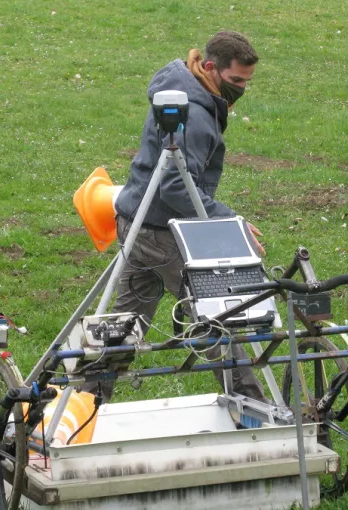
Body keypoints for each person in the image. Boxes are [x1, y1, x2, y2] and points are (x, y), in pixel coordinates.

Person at [104, 31, 267, 402]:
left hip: (136, 223)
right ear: (210, 67)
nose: (242, 89)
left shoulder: (181, 86)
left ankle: (86, 402)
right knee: (216, 315)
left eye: (247, 81)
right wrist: (229, 223)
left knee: (124, 327)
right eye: (237, 80)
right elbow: (177, 186)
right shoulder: (194, 114)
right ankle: (254, 407)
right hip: (163, 233)